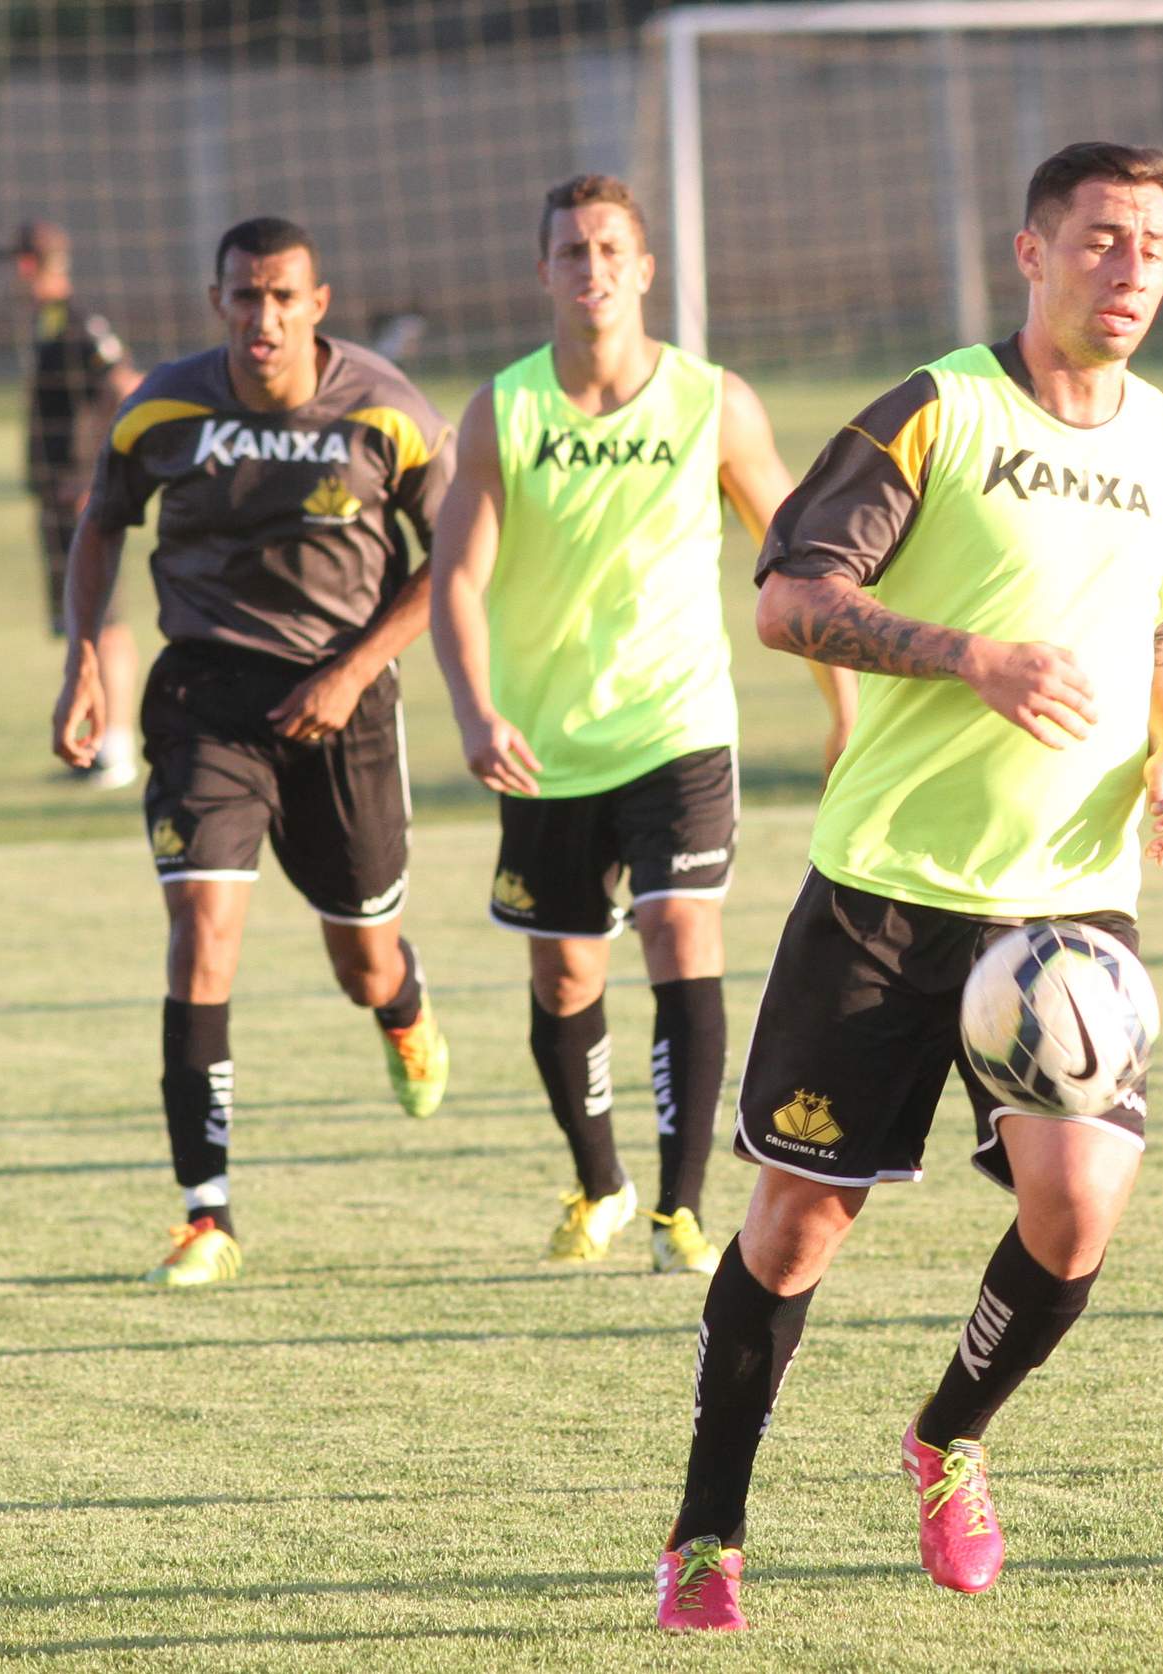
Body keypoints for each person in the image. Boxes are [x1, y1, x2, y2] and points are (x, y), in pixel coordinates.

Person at [652, 141, 1163, 1627]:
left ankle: (948, 1437)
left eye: (1151, 245)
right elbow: (787, 599)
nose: (1129, 269)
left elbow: (1157, 620)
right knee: (794, 1226)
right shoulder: (936, 411)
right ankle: (709, 1528)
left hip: (1068, 905)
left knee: (1078, 1208)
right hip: (889, 891)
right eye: (1099, 240)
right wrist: (969, 654)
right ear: (1030, 254)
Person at [431, 174, 853, 1278]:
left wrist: (844, 705)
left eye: (611, 249)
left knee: (680, 938)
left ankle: (680, 1208)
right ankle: (599, 1182)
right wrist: (475, 714)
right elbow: (457, 584)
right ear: (544, 274)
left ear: (646, 268)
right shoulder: (502, 412)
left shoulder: (714, 403)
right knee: (567, 982)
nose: (593, 269)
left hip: (677, 728)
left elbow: (806, 558)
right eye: (571, 252)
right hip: (543, 746)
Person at [52, 216, 454, 1287]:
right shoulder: (166, 408)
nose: (262, 317)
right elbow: (101, 525)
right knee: (202, 928)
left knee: (363, 961)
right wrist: (83, 661)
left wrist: (354, 670)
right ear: (216, 300)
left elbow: (453, 557)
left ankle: (404, 1011)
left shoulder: (386, 410)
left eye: (283, 297)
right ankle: (206, 1215)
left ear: (318, 305)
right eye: (243, 296)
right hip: (205, 699)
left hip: (343, 706)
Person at [4, 219, 143, 788]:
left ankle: (115, 750)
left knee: (103, 620)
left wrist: (97, 470)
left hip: (77, 493)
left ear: (28, 265)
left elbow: (126, 385)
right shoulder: (50, 322)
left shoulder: (79, 321)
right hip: (55, 495)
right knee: (81, 620)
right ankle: (95, 748)